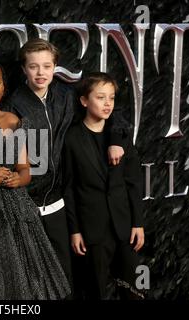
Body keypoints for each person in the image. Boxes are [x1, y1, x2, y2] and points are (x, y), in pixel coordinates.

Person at [3, 38, 129, 295]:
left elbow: (110, 111)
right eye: (34, 66)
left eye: (46, 66)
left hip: (60, 203)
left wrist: (115, 139)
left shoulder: (66, 96)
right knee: (31, 279)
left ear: (55, 68)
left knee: (64, 277)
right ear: (24, 69)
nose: (41, 72)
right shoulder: (13, 104)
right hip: (28, 204)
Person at [0, 58, 71, 299]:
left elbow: (25, 168)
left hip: (15, 209)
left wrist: (20, 179)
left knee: (20, 281)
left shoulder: (13, 121)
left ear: (4, 86)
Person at [64, 72, 145, 299]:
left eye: (111, 98)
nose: (107, 103)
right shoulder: (71, 139)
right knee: (94, 292)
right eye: (100, 97)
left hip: (125, 228)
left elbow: (133, 183)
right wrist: (75, 230)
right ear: (84, 101)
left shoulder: (120, 135)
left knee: (138, 288)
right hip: (92, 230)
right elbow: (69, 188)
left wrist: (138, 223)